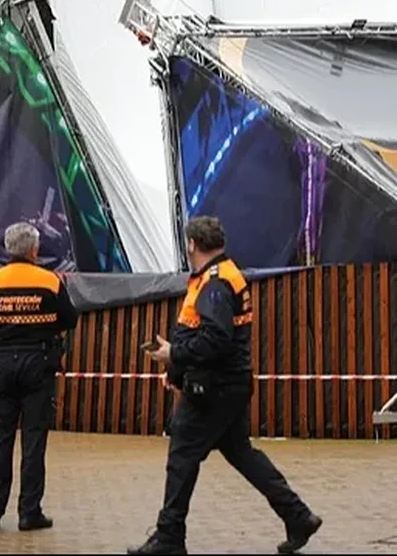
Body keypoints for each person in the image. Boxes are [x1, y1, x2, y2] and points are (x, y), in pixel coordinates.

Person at [129, 216, 322, 555]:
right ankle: (297, 516)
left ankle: (170, 536)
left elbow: (215, 340)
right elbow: (205, 334)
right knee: (242, 454)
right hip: (228, 385)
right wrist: (176, 368)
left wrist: (174, 354)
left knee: (182, 456)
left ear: (192, 244)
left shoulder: (215, 284)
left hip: (212, 390)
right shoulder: (222, 275)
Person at [0, 221, 78, 533]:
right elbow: (70, 318)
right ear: (34, 250)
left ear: (7, 248)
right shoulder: (50, 281)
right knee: (34, 440)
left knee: (0, 439)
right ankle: (29, 513)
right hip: (39, 364)